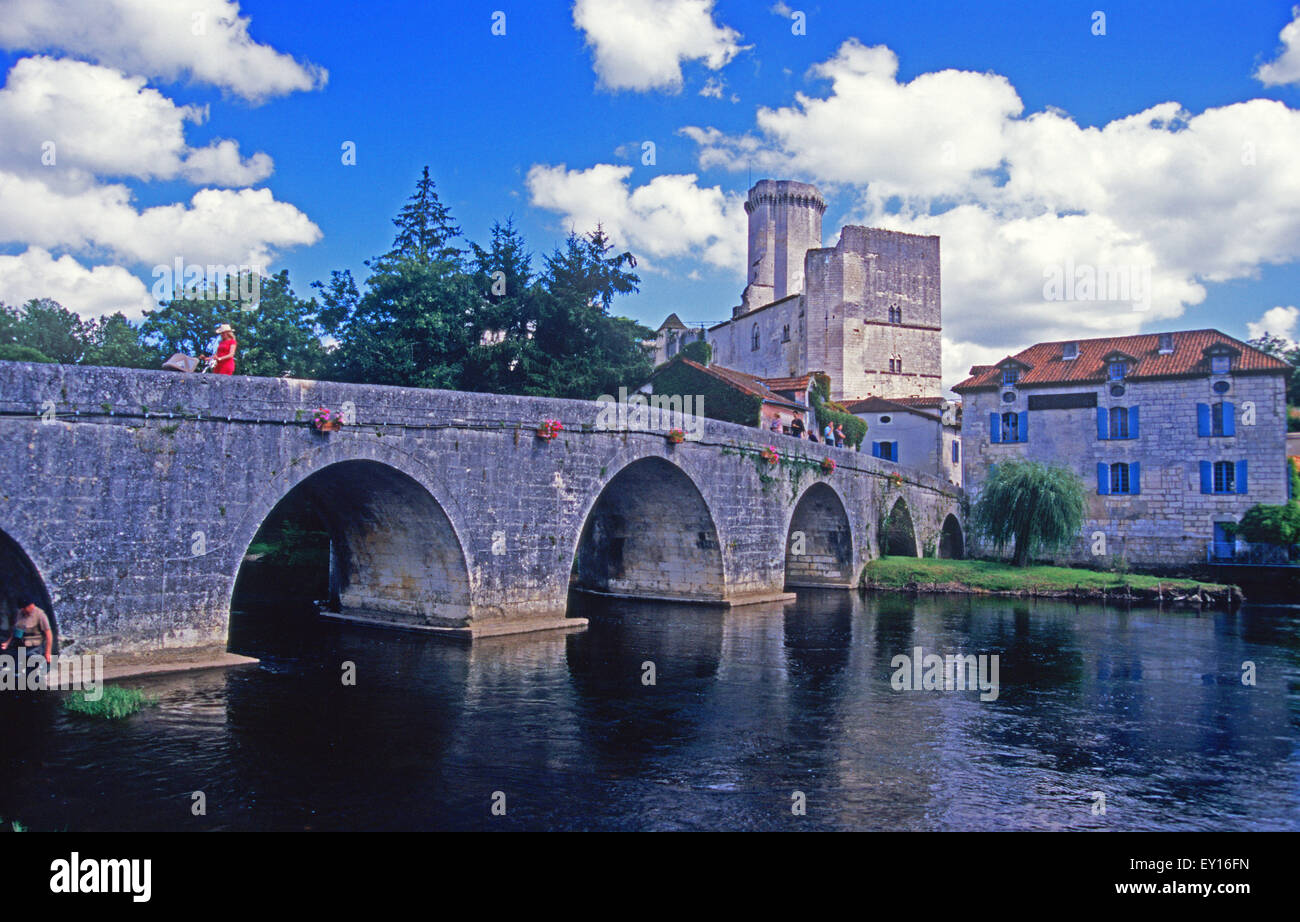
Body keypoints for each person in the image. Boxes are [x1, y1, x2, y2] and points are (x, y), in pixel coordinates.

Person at [1, 597, 53, 668]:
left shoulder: (40, 615)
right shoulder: (20, 613)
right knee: (9, 663)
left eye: (24, 608)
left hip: (35, 648)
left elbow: (49, 635)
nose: (22, 610)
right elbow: (17, 630)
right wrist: (7, 643)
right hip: (21, 646)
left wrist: (48, 653)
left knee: (31, 668)